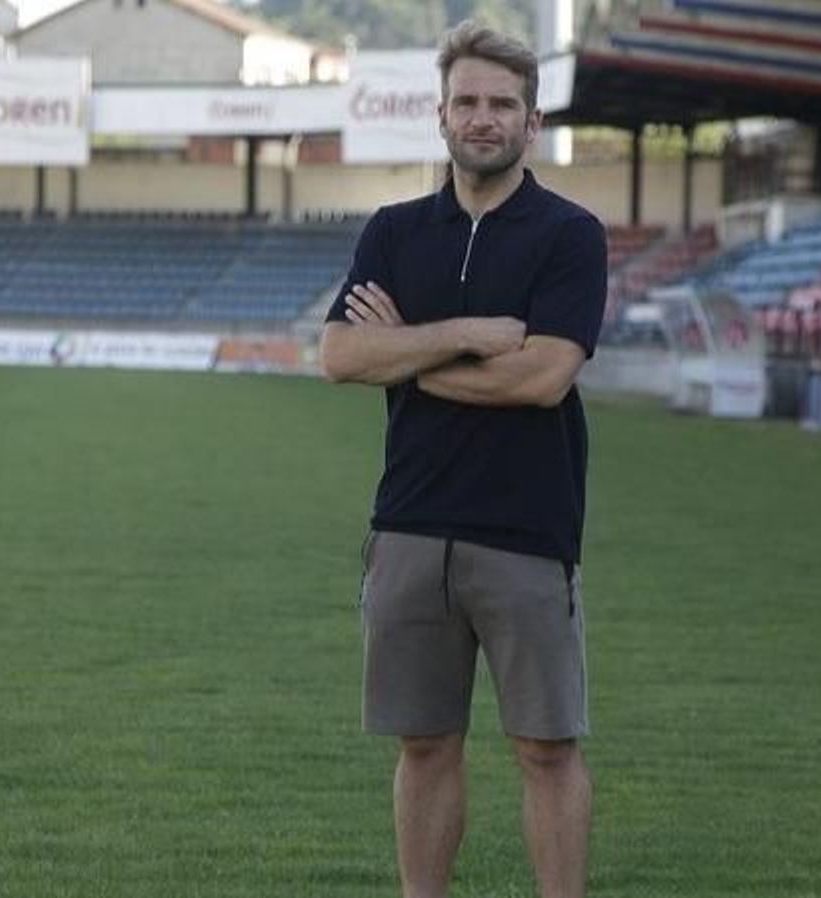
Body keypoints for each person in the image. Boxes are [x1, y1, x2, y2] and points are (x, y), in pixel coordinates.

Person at [319, 20, 608, 898]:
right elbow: (338, 358)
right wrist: (463, 337)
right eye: (469, 102)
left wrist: (405, 353)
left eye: (503, 105)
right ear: (441, 115)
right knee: (425, 742)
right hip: (407, 527)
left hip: (526, 531)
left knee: (546, 749)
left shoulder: (570, 234)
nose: (484, 118)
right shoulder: (395, 230)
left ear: (532, 122)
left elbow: (544, 378)